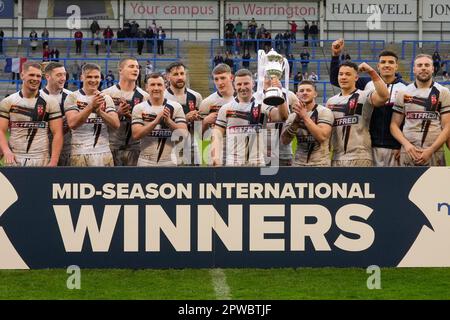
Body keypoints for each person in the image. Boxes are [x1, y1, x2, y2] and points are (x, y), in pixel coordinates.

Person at [330, 39, 408, 166]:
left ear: (396, 66)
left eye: (390, 62)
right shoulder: (366, 83)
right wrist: (335, 55)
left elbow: (406, 120)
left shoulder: (406, 88)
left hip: (395, 148)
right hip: (370, 146)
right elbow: (336, 80)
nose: (386, 65)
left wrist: (401, 144)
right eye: (383, 62)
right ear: (378, 66)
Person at [211, 69, 288, 166]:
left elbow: (282, 117)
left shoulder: (262, 106)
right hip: (233, 164)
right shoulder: (226, 109)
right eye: (239, 84)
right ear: (234, 86)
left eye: (246, 83)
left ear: (253, 84)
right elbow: (217, 135)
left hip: (257, 164)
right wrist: (215, 157)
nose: (242, 87)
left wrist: (280, 93)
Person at [390, 54, 450, 167]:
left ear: (432, 69)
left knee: (435, 185)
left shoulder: (443, 92)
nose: (423, 68)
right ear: (414, 69)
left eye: (427, 65)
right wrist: (406, 145)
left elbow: (447, 126)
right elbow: (394, 125)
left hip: (434, 153)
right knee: (406, 185)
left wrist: (431, 150)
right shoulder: (403, 93)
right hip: (409, 152)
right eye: (419, 65)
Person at [327, 61, 389, 167]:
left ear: (356, 78)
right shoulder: (331, 102)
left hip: (360, 157)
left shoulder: (364, 96)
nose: (343, 77)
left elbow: (384, 96)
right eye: (340, 74)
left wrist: (371, 72)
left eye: (348, 74)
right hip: (336, 158)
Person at [0, 61, 63, 166]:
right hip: (15, 158)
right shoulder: (8, 101)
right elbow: (1, 131)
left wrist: (53, 161)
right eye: (32, 75)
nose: (35, 79)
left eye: (38, 76)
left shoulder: (50, 102)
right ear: (22, 75)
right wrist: (6, 151)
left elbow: (58, 133)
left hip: (41, 158)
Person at [64, 63, 120, 167]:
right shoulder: (72, 97)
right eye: (89, 77)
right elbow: (72, 124)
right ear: (82, 78)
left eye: (96, 77)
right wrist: (90, 107)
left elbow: (116, 124)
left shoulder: (106, 98)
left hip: (104, 152)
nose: (93, 80)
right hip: (80, 152)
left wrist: (99, 112)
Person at [132, 73, 188, 166]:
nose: (156, 88)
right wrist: (155, 122)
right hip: (146, 160)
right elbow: (136, 135)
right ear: (146, 87)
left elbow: (184, 134)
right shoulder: (139, 108)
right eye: (152, 85)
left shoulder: (176, 106)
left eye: (159, 84)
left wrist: (169, 122)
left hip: (170, 160)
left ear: (165, 86)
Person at [102, 58, 149, 166]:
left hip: (135, 148)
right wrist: (118, 114)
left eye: (137, 67)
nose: (136, 70)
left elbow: (147, 125)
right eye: (131, 66)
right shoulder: (106, 94)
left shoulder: (145, 96)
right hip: (111, 146)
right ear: (120, 70)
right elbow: (99, 123)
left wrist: (132, 117)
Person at [282, 80, 334, 166]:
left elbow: (322, 137)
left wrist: (304, 117)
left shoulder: (324, 112)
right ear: (297, 94)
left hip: (320, 164)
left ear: (315, 94)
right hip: (298, 164)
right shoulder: (292, 116)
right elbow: (285, 141)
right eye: (301, 91)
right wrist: (296, 121)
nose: (304, 93)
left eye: (308, 90)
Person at [164, 62, 203, 165]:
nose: (180, 77)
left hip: (192, 146)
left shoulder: (196, 96)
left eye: (182, 73)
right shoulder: (163, 97)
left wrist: (197, 120)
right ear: (168, 77)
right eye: (176, 74)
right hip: (169, 147)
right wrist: (184, 119)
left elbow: (200, 129)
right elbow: (159, 125)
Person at [199, 64, 236, 164]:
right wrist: (205, 122)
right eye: (216, 79)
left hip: (237, 151)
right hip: (213, 151)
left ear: (231, 77)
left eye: (223, 78)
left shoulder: (243, 99)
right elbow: (198, 136)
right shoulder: (207, 102)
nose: (220, 82)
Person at [41, 62, 73, 166]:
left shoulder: (72, 96)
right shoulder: (38, 97)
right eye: (59, 75)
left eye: (64, 74)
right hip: (43, 150)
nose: (63, 78)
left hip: (68, 150)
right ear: (48, 76)